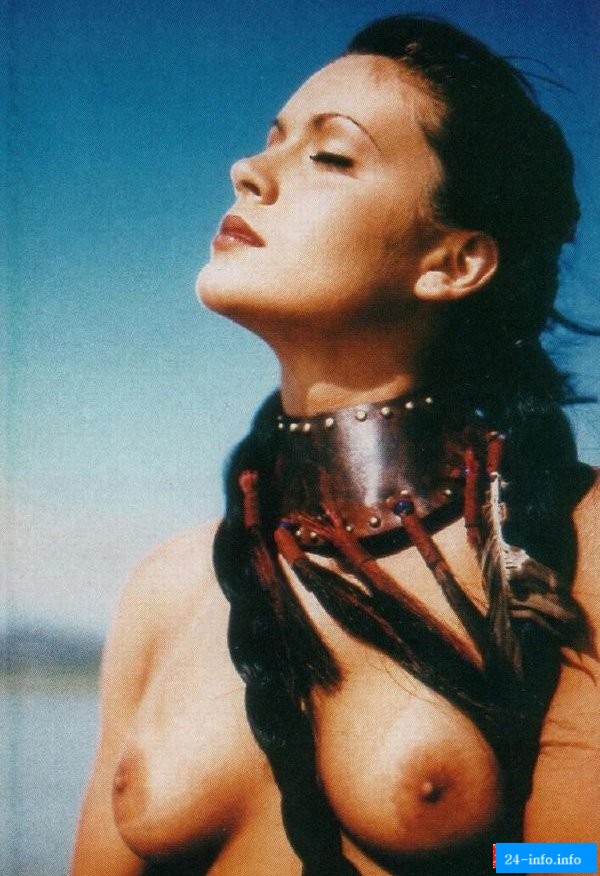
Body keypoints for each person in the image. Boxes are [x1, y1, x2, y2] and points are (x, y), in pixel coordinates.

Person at [71, 15, 600, 876]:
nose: (248, 171)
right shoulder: (168, 588)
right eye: (270, 139)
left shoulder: (571, 540)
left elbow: (574, 864)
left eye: (330, 154)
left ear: (455, 262)